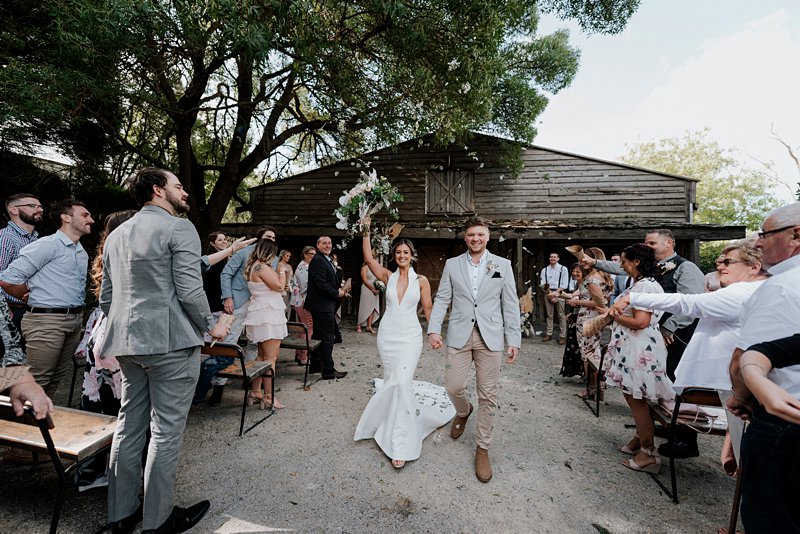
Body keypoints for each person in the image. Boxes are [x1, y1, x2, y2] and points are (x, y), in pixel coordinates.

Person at [100, 168, 229, 534]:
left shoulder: (116, 234)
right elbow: (189, 290)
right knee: (165, 432)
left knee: (128, 427)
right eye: (178, 185)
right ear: (158, 190)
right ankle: (157, 521)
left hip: (127, 345)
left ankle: (120, 517)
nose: (184, 191)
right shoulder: (178, 228)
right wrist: (212, 325)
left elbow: (107, 299)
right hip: (171, 344)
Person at [611, 239, 767, 465]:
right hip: (734, 381)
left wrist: (632, 298)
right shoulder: (749, 290)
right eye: (719, 261)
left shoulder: (744, 292)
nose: (720, 266)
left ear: (754, 267)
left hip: (741, 382)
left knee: (748, 454)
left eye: (728, 262)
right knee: (739, 448)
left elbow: (687, 303)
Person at [584, 228, 705, 458]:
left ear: (669, 243)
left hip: (667, 337)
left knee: (657, 393)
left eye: (651, 243)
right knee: (644, 395)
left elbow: (692, 303)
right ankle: (643, 437)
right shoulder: (645, 277)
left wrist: (613, 314)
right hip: (644, 340)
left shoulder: (681, 269)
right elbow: (620, 268)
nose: (648, 246)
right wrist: (594, 262)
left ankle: (671, 442)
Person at [724, 202, 800, 532]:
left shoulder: (782, 287)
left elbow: (746, 357)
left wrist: (744, 395)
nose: (757, 243)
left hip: (783, 423)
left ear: (796, 234)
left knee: (769, 519)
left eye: (765, 234)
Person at [427, 217, 521, 483]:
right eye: (471, 235)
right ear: (465, 238)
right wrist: (434, 328)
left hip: (491, 338)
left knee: (488, 395)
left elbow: (510, 304)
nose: (475, 239)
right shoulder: (452, 264)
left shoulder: (502, 265)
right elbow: (443, 297)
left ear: (487, 237)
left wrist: (513, 339)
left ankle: (483, 447)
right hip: (459, 334)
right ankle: (463, 411)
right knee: (453, 387)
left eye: (480, 235)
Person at [354, 230, 455, 468]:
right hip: (387, 337)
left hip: (411, 337)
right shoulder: (387, 276)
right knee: (393, 381)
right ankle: (387, 421)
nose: (402, 255)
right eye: (398, 252)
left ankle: (401, 442)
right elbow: (368, 259)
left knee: (401, 382)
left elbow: (428, 308)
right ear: (394, 256)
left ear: (412, 256)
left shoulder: (421, 281)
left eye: (406, 252)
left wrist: (434, 332)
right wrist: (366, 230)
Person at [0, 199, 94, 398]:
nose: (91, 220)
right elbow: (7, 278)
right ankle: (16, 427)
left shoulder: (81, 251)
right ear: (66, 218)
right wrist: (24, 296)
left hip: (74, 321)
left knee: (54, 382)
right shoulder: (47, 245)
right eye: (85, 215)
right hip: (46, 322)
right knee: (36, 382)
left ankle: (38, 426)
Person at [73, 210, 136, 489]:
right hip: (119, 335)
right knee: (122, 408)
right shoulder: (130, 258)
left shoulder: (107, 256)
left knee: (101, 404)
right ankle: (113, 474)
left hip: (101, 333)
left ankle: (91, 472)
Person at [605, 243, 673, 475]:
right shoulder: (643, 284)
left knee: (637, 399)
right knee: (635, 396)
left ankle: (648, 454)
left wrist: (614, 315)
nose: (621, 265)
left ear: (636, 262)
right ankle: (639, 438)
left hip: (639, 349)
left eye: (624, 261)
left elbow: (641, 322)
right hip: (635, 346)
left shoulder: (644, 287)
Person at [242, 239, 289, 409]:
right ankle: (269, 397)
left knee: (261, 356)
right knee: (271, 358)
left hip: (261, 313)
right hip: (268, 316)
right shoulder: (262, 267)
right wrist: (282, 271)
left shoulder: (254, 266)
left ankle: (255, 391)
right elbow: (279, 286)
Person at [219, 226, 277, 361]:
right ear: (259, 238)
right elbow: (226, 274)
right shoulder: (243, 252)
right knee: (230, 337)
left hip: (260, 304)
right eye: (268, 237)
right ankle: (219, 379)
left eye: (274, 238)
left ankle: (250, 376)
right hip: (239, 300)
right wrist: (228, 297)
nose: (272, 240)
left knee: (255, 341)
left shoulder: (274, 258)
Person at [567, 247, 612, 399]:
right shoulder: (603, 276)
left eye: (584, 258)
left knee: (588, 354)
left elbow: (599, 304)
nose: (582, 262)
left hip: (588, 319)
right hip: (595, 319)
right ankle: (597, 388)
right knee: (593, 352)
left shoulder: (593, 279)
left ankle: (592, 388)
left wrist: (578, 302)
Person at [304, 236, 349, 380]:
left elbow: (332, 280)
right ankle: (328, 370)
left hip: (322, 305)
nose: (328, 245)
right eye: (324, 243)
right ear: (317, 245)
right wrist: (337, 293)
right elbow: (321, 284)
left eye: (329, 243)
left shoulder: (326, 260)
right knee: (328, 337)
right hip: (321, 305)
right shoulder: (318, 260)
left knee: (318, 335)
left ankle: (316, 366)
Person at [0, 193, 42, 338]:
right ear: (13, 210)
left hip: (34, 310)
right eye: (32, 206)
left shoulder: (38, 240)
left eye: (40, 206)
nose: (39, 209)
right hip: (13, 312)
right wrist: (4, 310)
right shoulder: (5, 238)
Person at [289, 246, 316, 365]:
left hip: (299, 301)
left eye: (315, 254)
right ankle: (303, 357)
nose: (314, 256)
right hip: (303, 301)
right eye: (311, 254)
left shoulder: (303, 266)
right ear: (305, 254)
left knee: (303, 328)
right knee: (309, 327)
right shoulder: (304, 268)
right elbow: (306, 287)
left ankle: (298, 354)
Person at [559, 263, 583, 378]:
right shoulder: (577, 284)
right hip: (575, 317)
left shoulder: (587, 285)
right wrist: (572, 313)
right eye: (573, 271)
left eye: (578, 271)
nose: (575, 273)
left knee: (580, 348)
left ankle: (586, 376)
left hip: (584, 320)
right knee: (573, 346)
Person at [539, 253, 569, 343]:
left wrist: (556, 294)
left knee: (561, 315)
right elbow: (543, 284)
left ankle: (562, 336)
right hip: (548, 292)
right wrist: (550, 295)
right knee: (549, 315)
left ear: (558, 258)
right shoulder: (545, 270)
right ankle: (549, 334)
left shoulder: (563, 269)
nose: (552, 258)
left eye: (554, 257)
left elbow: (565, 284)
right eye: (551, 257)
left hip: (560, 293)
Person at [356, 260, 381, 333]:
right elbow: (364, 280)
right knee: (365, 306)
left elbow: (379, 278)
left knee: (373, 307)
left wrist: (379, 287)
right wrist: (372, 289)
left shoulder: (376, 269)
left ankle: (369, 326)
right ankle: (359, 324)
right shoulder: (364, 268)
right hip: (367, 289)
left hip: (375, 289)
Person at [276, 249, 294, 319]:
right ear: (282, 256)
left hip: (290, 288)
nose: (288, 257)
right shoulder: (279, 265)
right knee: (282, 307)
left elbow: (291, 278)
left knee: (287, 308)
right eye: (287, 256)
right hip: (282, 288)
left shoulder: (289, 266)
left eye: (289, 256)